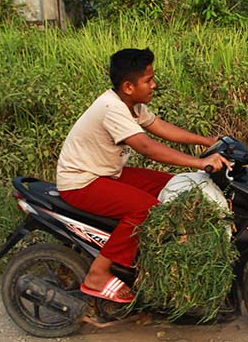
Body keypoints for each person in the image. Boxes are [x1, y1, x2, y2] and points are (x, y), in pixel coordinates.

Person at [56, 48, 231, 303]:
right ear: (128, 86)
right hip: (82, 181)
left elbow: (159, 127)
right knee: (146, 209)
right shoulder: (112, 108)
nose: (154, 84)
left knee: (171, 185)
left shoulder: (132, 105)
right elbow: (146, 147)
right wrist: (199, 162)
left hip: (106, 173)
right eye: (148, 80)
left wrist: (207, 141)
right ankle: (98, 273)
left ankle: (146, 258)